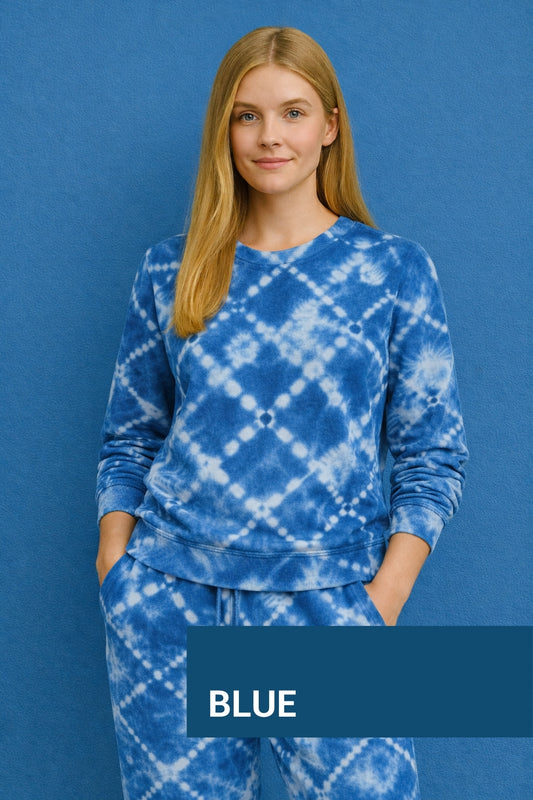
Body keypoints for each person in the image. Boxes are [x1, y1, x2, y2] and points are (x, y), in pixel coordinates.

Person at [96, 26, 467, 800]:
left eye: (293, 113)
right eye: (247, 115)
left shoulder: (390, 270)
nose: (270, 137)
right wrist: (117, 571)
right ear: (223, 130)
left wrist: (381, 599)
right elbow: (131, 436)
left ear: (330, 126)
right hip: (173, 606)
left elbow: (431, 453)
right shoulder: (172, 269)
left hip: (329, 606)